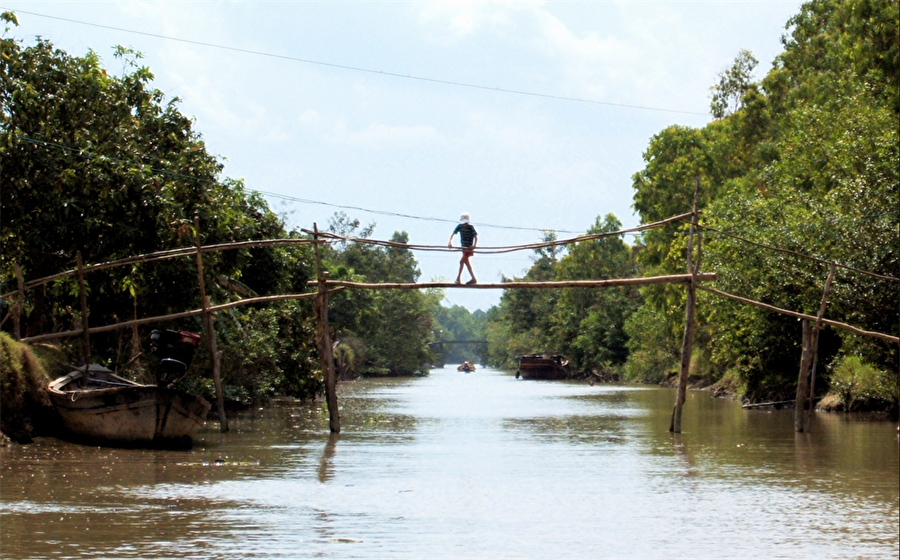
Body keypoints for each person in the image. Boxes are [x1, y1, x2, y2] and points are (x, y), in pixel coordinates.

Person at [448, 212, 478, 284]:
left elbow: (476, 237)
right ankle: (473, 279)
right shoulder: (459, 226)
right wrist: (449, 242)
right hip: (463, 248)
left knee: (461, 262)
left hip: (468, 248)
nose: (464, 224)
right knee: (466, 263)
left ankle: (458, 278)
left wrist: (474, 245)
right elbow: (452, 234)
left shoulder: (470, 227)